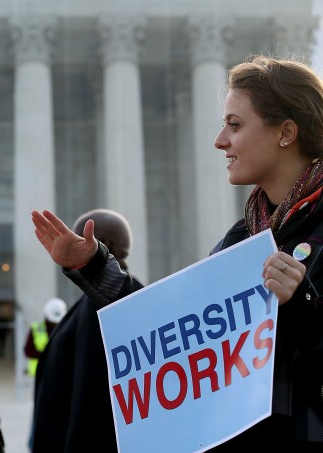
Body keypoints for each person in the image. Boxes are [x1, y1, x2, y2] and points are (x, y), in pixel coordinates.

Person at [32, 55, 323, 451]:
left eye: (234, 126)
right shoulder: (240, 239)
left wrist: (302, 302)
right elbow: (173, 332)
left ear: (285, 131)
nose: (220, 140)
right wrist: (93, 265)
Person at [30, 209, 141, 453]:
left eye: (76, 237)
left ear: (104, 244)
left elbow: (89, 402)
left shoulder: (102, 310)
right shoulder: (94, 307)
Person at [24, 297, 67, 377]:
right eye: (53, 321)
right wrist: (47, 354)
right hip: (40, 372)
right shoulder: (36, 329)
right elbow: (28, 351)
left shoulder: (65, 329)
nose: (55, 323)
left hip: (59, 372)